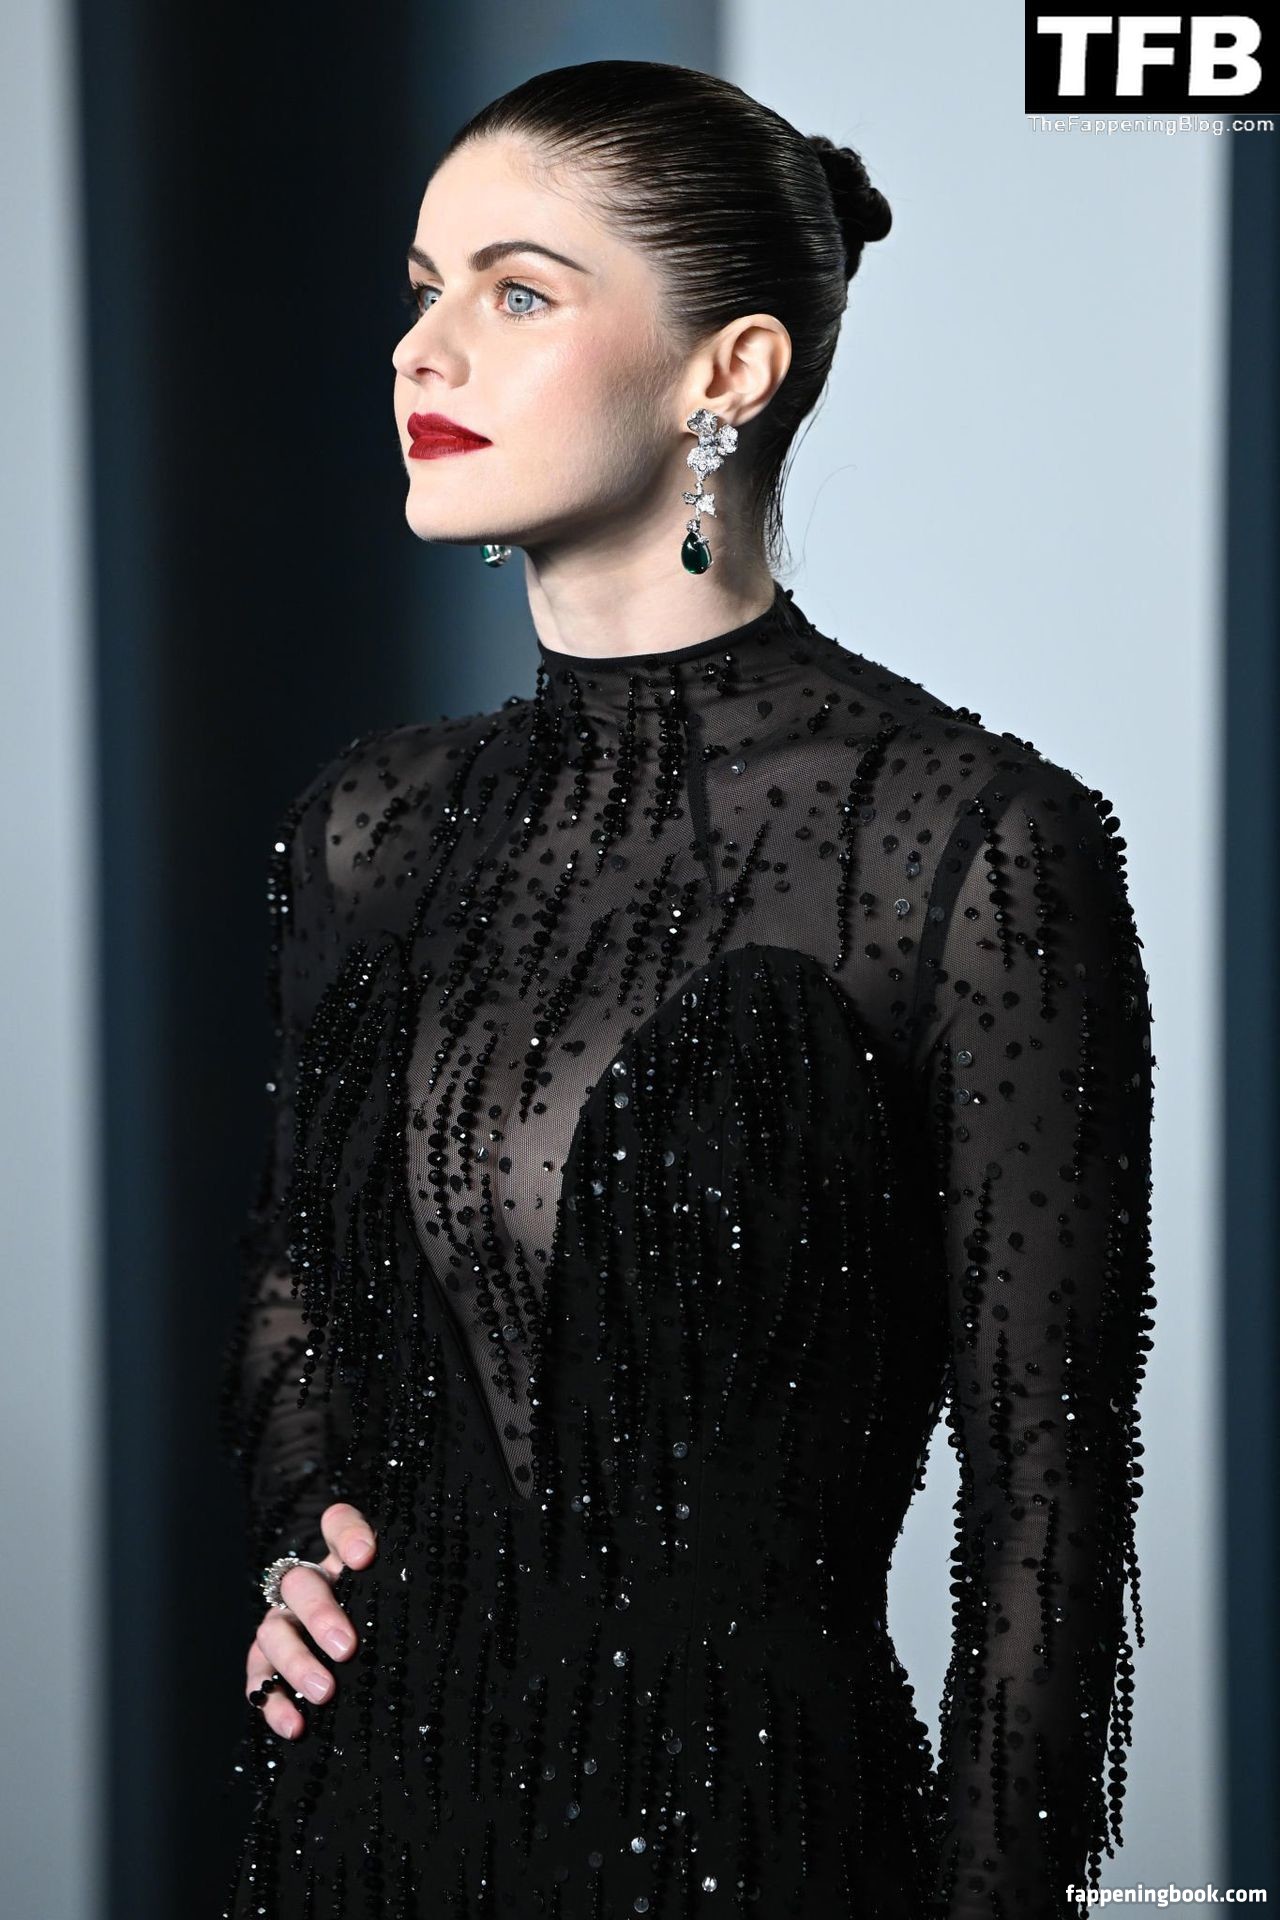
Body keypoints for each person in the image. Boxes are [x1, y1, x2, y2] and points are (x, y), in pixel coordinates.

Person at [217, 57, 1156, 1920]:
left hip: (753, 1844)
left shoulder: (967, 841)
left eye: (517, 293)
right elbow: (298, 1290)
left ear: (729, 370)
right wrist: (303, 1541)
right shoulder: (365, 827)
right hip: (362, 1835)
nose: (422, 350)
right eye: (424, 287)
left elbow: (1047, 1519)